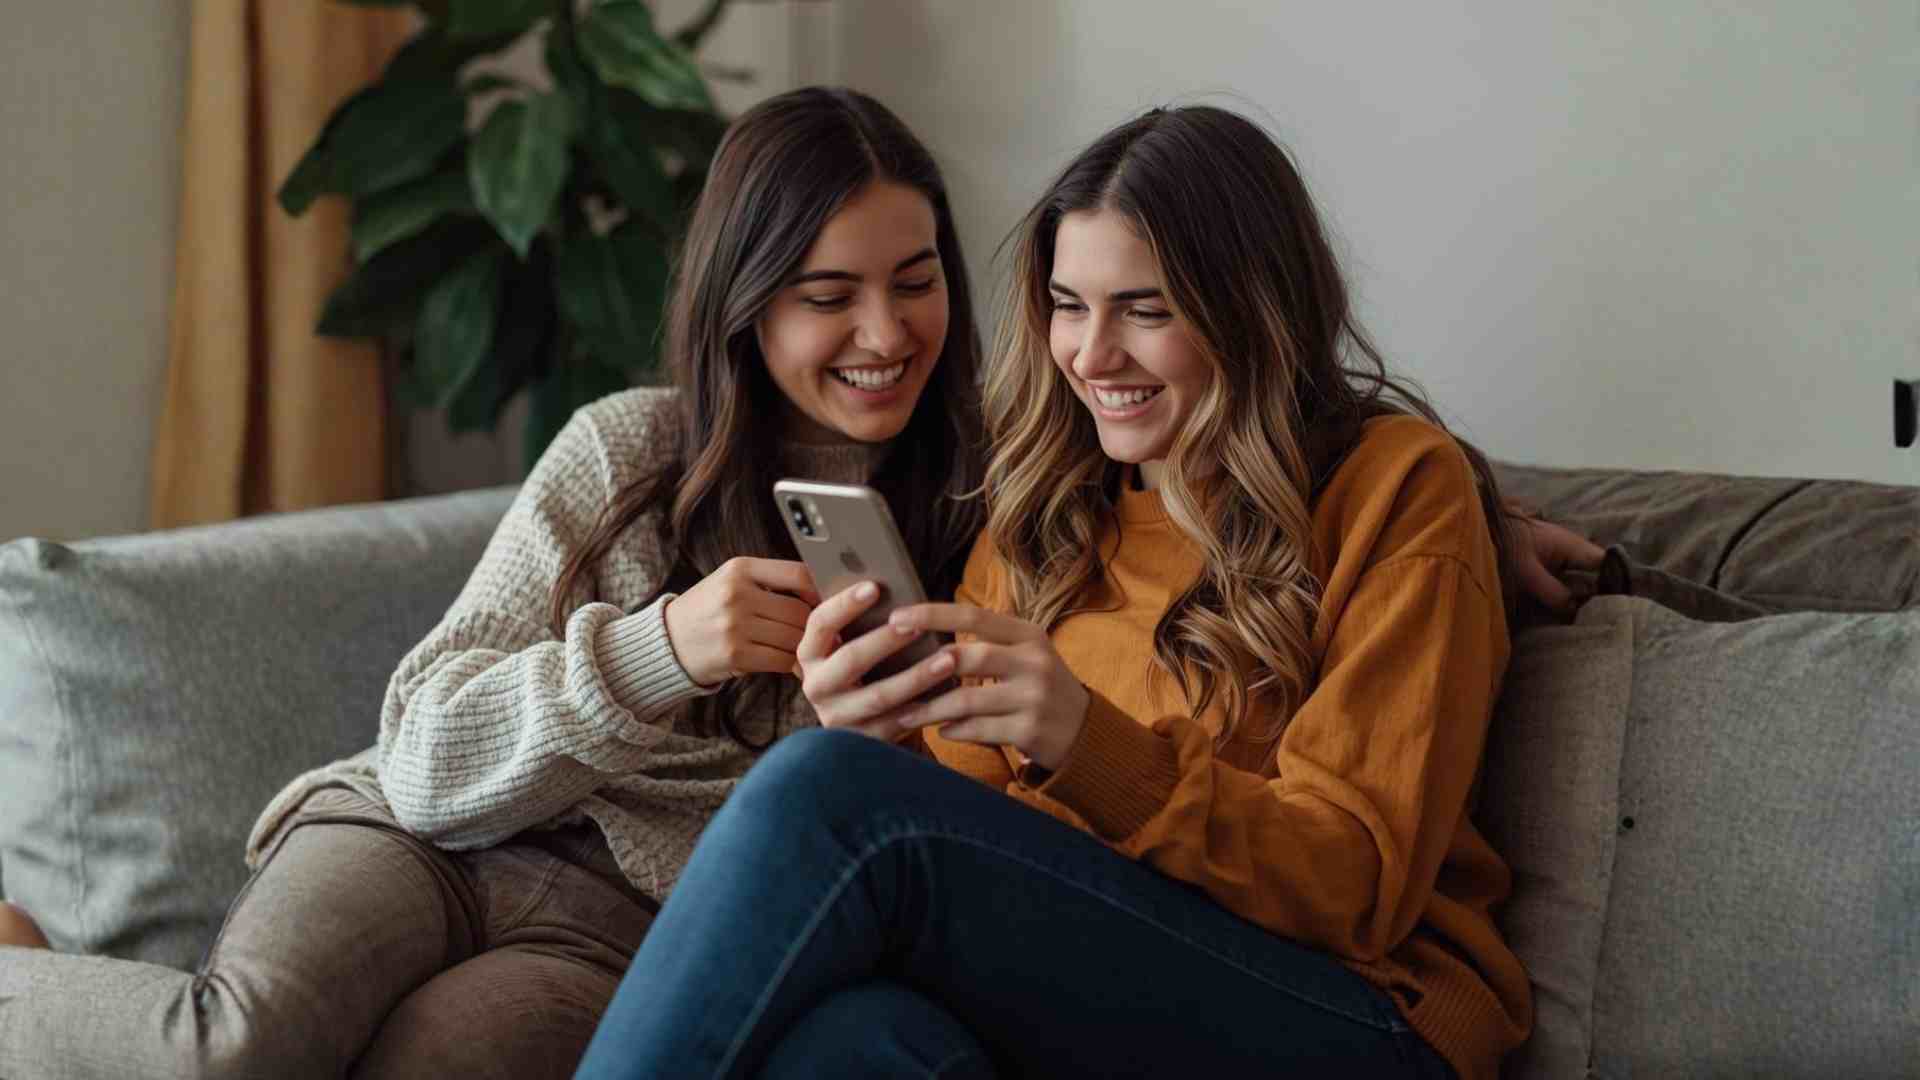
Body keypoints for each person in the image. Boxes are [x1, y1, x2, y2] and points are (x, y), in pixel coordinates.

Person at [0, 86, 985, 1080]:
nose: (888, 333)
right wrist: (662, 649)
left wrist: (881, 744)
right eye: (829, 297)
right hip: (423, 838)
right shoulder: (626, 451)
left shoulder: (981, 509)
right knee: (228, 1052)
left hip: (618, 936)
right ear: (745, 301)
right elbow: (423, 755)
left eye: (916, 281)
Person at [573, 105, 1577, 1080]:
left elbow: (1355, 886)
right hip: (1110, 995)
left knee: (818, 791)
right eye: (1069, 305)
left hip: (1355, 1014)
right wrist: (881, 734)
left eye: (1146, 310)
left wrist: (1082, 742)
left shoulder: (1396, 488)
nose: (1093, 358)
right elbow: (974, 848)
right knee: (851, 1044)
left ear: (1252, 310)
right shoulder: (1045, 510)